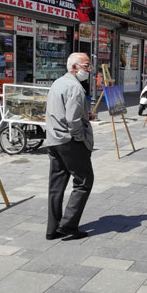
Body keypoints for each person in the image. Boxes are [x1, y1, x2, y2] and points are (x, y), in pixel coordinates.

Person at [44, 53, 95, 240]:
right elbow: (72, 119)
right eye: (86, 66)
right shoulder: (75, 87)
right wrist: (80, 138)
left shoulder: (58, 83)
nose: (89, 70)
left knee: (56, 185)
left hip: (54, 140)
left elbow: (62, 110)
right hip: (69, 141)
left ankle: (52, 228)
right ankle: (68, 225)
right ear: (74, 67)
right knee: (84, 181)